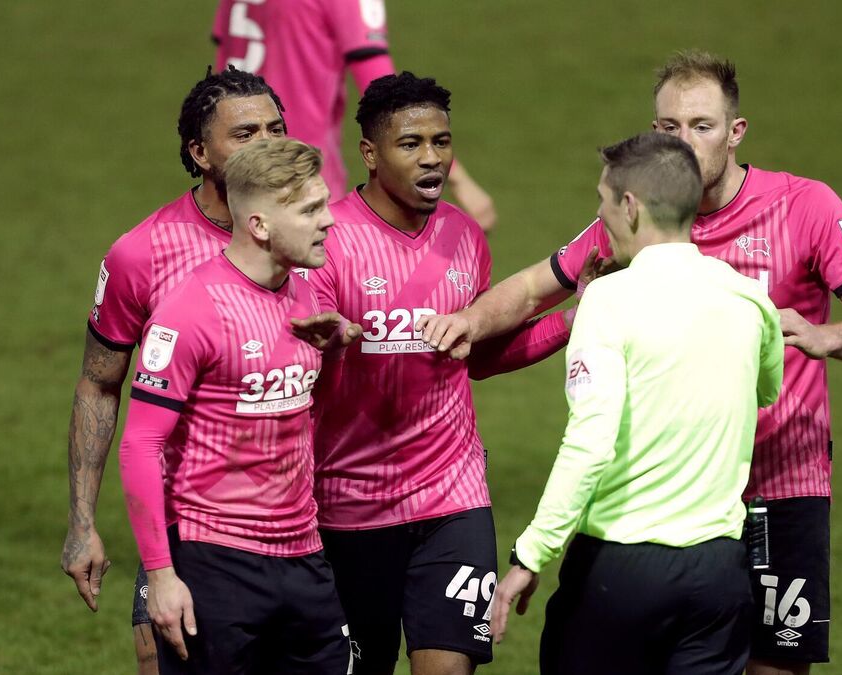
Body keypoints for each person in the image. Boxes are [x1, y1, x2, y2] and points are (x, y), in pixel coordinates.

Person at [417, 50, 842, 675]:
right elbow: (531, 289)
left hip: (780, 483)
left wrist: (828, 337)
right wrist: (468, 321)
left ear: (735, 132)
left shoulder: (805, 206)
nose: (684, 142)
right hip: (668, 498)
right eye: (670, 127)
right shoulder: (641, 214)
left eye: (702, 126)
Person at [491, 132, 784, 675]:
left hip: (621, 572)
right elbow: (766, 390)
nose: (601, 218)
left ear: (630, 206)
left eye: (603, 203)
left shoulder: (607, 300)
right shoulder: (750, 298)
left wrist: (531, 554)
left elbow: (590, 442)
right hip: (718, 573)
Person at [305, 71, 565, 675]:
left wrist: (571, 321)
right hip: (348, 503)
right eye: (411, 143)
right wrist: (328, 346)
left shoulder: (464, 236)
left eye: (442, 142)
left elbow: (479, 356)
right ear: (370, 153)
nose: (432, 158)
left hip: (452, 496)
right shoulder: (328, 240)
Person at [60, 67, 291, 674]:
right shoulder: (143, 253)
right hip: (189, 527)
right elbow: (99, 384)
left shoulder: (317, 240)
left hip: (307, 523)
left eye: (276, 129)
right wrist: (83, 522)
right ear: (199, 153)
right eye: (245, 134)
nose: (267, 144)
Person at [119, 137, 359, 674]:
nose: (329, 221)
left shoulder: (306, 297)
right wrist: (160, 575)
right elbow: (140, 444)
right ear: (259, 225)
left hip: (303, 555)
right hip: (215, 560)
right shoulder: (190, 310)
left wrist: (335, 355)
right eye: (310, 210)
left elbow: (310, 416)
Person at [212, 0, 498, 231]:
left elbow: (224, 57)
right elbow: (382, 89)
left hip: (234, 171)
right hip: (299, 173)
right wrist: (459, 179)